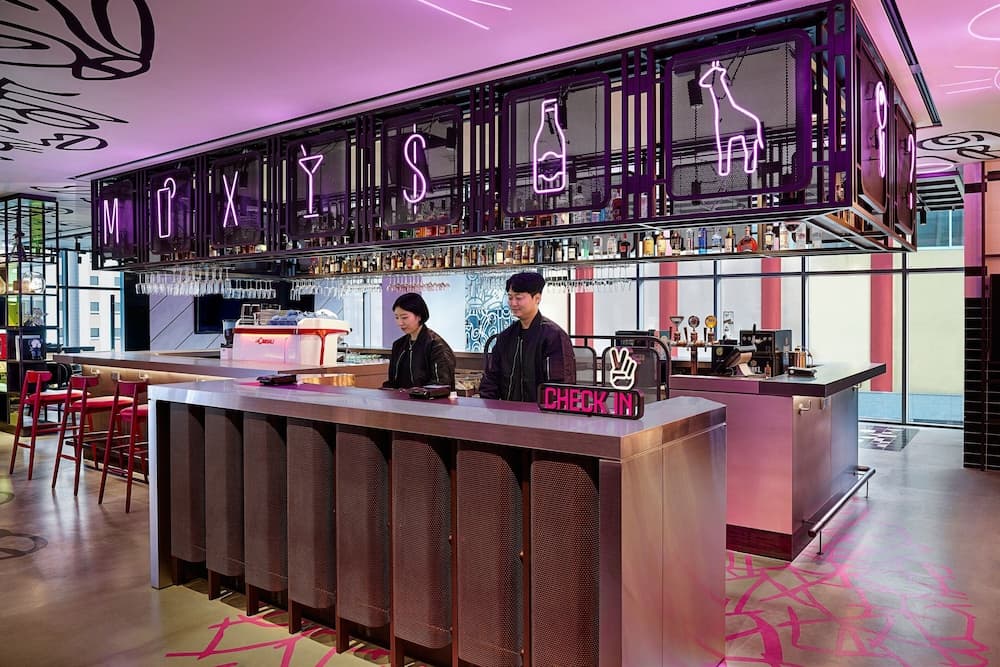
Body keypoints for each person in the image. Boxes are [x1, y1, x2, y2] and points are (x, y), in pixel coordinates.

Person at [479, 271, 575, 402]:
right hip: (507, 412)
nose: (513, 303)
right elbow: (490, 380)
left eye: (519, 298)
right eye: (510, 297)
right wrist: (490, 407)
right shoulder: (505, 337)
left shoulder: (553, 336)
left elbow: (561, 386)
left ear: (537, 298)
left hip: (542, 413)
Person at [383, 292, 456, 389]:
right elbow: (392, 382)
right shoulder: (398, 345)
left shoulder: (436, 346)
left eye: (404, 317)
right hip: (401, 398)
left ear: (419, 316)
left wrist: (416, 393)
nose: (400, 323)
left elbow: (441, 384)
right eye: (397, 317)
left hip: (428, 398)